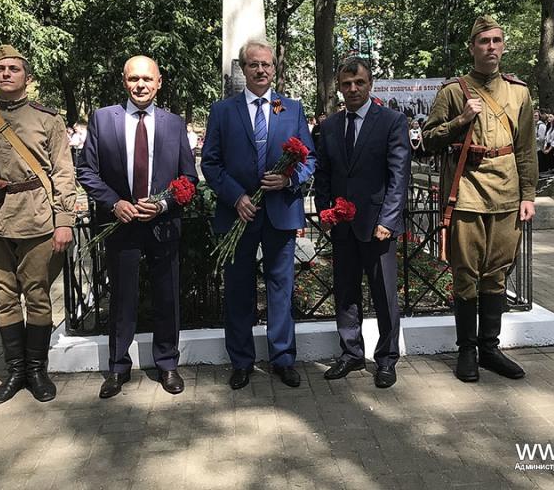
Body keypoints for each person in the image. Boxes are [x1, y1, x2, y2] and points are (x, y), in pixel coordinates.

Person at [0, 45, 76, 405]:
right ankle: (15, 372)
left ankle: (37, 371)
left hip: (36, 218)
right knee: (5, 298)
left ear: (28, 77)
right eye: (0, 69)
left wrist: (64, 221)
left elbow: (63, 173)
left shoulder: (47, 119)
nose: (6, 73)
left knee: (37, 295)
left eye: (14, 69)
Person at [422, 15, 537, 383]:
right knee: (465, 275)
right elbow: (428, 139)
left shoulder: (519, 92)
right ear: (472, 47)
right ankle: (467, 350)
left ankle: (489, 348)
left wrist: (529, 195)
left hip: (507, 194)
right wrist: (460, 121)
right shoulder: (453, 91)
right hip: (468, 193)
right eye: (484, 41)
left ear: (503, 46)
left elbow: (526, 148)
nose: (491, 47)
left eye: (496, 40)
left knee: (497, 274)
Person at [77, 56, 197, 398]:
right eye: (134, 79)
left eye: (147, 79)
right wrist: (114, 203)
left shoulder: (174, 124)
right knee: (121, 298)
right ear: (124, 81)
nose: (140, 85)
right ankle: (118, 367)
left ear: (159, 82)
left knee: (167, 296)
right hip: (121, 223)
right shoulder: (103, 119)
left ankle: (167, 364)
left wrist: (163, 204)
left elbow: (188, 177)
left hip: (162, 224)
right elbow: (87, 170)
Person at [201, 40, 316, 390]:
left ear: (274, 69)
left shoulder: (291, 108)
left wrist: (289, 179)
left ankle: (283, 359)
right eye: (254, 64)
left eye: (266, 64)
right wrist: (236, 197)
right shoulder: (223, 111)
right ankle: (241, 361)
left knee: (281, 288)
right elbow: (211, 163)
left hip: (280, 213)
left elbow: (310, 159)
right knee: (238, 289)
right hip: (239, 214)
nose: (261, 70)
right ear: (244, 68)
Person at [314, 57, 410, 389]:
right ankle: (351, 353)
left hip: (378, 226)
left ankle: (387, 359)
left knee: (384, 295)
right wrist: (325, 212)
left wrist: (388, 220)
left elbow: (399, 176)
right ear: (339, 88)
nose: (353, 89)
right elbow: (323, 174)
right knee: (345, 292)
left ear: (370, 84)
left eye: (359, 83)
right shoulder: (330, 126)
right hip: (342, 226)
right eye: (346, 84)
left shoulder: (392, 122)